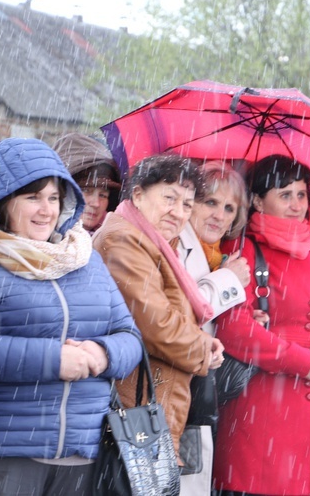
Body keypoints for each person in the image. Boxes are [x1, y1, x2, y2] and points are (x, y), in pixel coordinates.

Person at [0, 138, 142, 495]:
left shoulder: (84, 258)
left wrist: (102, 353)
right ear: (4, 201)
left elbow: (130, 336)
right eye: (32, 197)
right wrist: (54, 360)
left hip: (81, 455)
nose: (46, 210)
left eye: (54, 198)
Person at [212, 155, 310, 495]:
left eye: (302, 194)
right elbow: (234, 330)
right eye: (285, 195)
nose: (296, 205)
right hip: (261, 409)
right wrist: (303, 361)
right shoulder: (241, 248)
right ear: (258, 200)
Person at [93, 154, 225, 459]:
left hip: (149, 407)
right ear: (137, 195)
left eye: (187, 204)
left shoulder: (157, 243)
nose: (178, 212)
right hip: (133, 408)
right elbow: (155, 324)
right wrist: (204, 348)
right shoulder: (123, 241)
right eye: (169, 198)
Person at [177, 161, 251, 495]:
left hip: (202, 396)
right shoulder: (175, 244)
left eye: (229, 208)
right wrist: (227, 282)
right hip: (175, 394)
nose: (219, 215)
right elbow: (178, 312)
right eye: (210, 202)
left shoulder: (218, 256)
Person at [53, 133, 122, 233]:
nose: (96, 203)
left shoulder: (114, 237)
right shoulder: (39, 237)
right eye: (86, 190)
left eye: (103, 195)